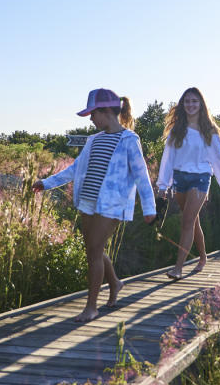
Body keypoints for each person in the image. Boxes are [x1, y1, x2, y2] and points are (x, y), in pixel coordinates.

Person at [33, 89, 155, 323]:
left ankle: (91, 307)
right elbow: (75, 169)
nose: (90, 119)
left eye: (92, 114)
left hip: (112, 205)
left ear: (107, 111)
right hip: (88, 202)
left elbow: (142, 176)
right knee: (93, 250)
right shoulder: (93, 140)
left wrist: (150, 209)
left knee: (94, 252)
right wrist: (47, 183)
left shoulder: (129, 140)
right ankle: (116, 283)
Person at [156, 87, 220, 279]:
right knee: (193, 220)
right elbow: (168, 158)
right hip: (180, 179)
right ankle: (202, 257)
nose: (191, 105)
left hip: (200, 178)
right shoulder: (177, 130)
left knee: (187, 221)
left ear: (201, 104)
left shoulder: (209, 131)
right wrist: (162, 186)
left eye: (194, 101)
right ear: (183, 105)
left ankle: (178, 268)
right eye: (187, 101)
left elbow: (218, 159)